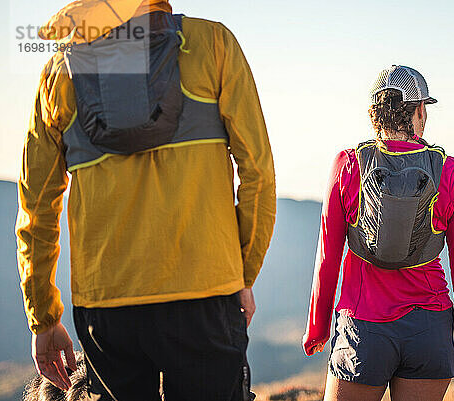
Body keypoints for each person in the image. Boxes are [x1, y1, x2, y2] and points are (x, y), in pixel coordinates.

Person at [16, 1, 276, 400]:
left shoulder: (59, 73)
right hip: (205, 292)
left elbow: (37, 207)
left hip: (105, 303)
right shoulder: (212, 44)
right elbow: (257, 170)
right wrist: (243, 273)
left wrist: (44, 317)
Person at [302, 65, 454, 401]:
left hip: (363, 328)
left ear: (374, 116)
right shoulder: (453, 172)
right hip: (429, 325)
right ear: (418, 112)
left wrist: (318, 327)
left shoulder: (349, 165)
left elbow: (328, 255)